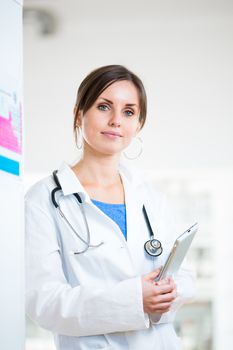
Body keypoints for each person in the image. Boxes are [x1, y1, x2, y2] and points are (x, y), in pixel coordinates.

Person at [25, 65, 195, 350]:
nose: (116, 120)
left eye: (129, 112)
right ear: (79, 114)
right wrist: (134, 299)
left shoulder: (152, 198)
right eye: (104, 107)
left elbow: (186, 278)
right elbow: (45, 302)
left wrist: (166, 294)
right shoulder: (43, 200)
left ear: (138, 124)